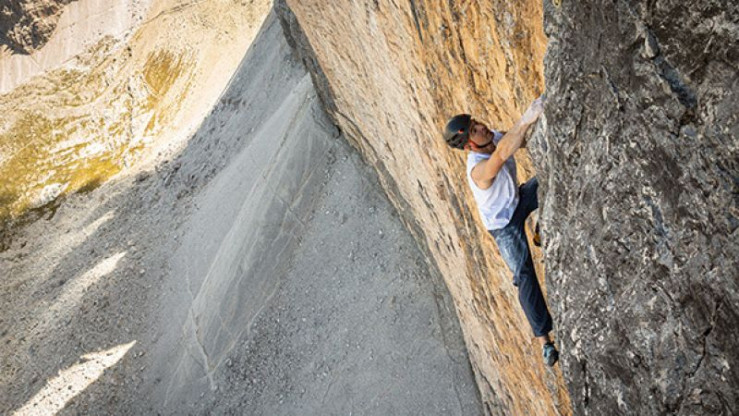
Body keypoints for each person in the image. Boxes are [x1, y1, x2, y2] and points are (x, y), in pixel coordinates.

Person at [442, 96, 559, 367]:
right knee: (523, 275)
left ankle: (542, 225)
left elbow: (519, 139)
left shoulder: (492, 137)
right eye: (474, 130)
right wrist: (527, 117)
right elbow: (503, 153)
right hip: (503, 225)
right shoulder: (478, 170)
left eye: (476, 123)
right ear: (469, 145)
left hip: (517, 199)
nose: (481, 127)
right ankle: (545, 341)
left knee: (552, 176)